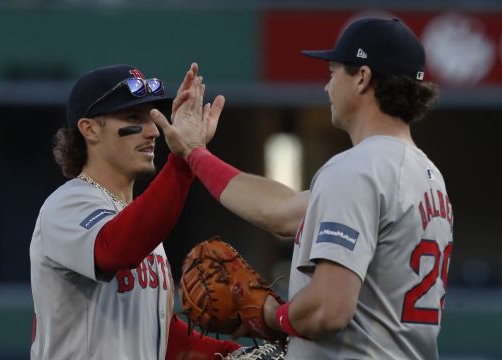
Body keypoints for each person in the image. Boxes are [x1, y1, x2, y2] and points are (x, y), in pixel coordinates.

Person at [153, 18, 453, 359]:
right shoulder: (424, 173)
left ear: (362, 78)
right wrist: (194, 154)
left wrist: (271, 315)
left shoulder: (356, 170)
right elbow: (281, 211)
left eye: (332, 72)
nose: (327, 87)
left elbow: (328, 309)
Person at [29, 63, 239, 360]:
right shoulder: (66, 205)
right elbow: (114, 250)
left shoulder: (136, 223)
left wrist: (231, 353)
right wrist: (184, 159)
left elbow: (160, 336)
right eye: (134, 118)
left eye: (153, 117)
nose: (153, 130)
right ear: (89, 129)